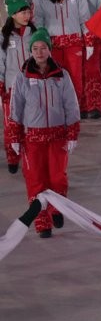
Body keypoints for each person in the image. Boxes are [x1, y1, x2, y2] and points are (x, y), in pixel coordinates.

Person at [8, 28, 79, 238]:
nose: (39, 52)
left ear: (50, 50)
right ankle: (42, 222)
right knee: (36, 180)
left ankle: (57, 209)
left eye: (43, 48)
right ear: (31, 51)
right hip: (33, 138)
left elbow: (71, 105)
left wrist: (73, 132)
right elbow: (16, 108)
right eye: (35, 48)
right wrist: (14, 136)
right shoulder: (22, 78)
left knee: (58, 178)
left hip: (57, 137)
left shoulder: (62, 75)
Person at [31, 0, 95, 117]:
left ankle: (74, 111)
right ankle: (56, 111)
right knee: (54, 77)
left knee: (75, 78)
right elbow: (38, 19)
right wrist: (41, 42)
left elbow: (85, 18)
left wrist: (88, 42)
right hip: (52, 44)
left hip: (74, 42)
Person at [1, 0, 34, 174]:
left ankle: (30, 158)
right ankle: (13, 159)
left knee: (31, 125)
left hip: (32, 87)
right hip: (11, 90)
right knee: (12, 126)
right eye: (23, 12)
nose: (27, 16)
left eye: (28, 12)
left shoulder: (35, 34)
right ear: (13, 14)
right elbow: (0, 63)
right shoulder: (3, 38)